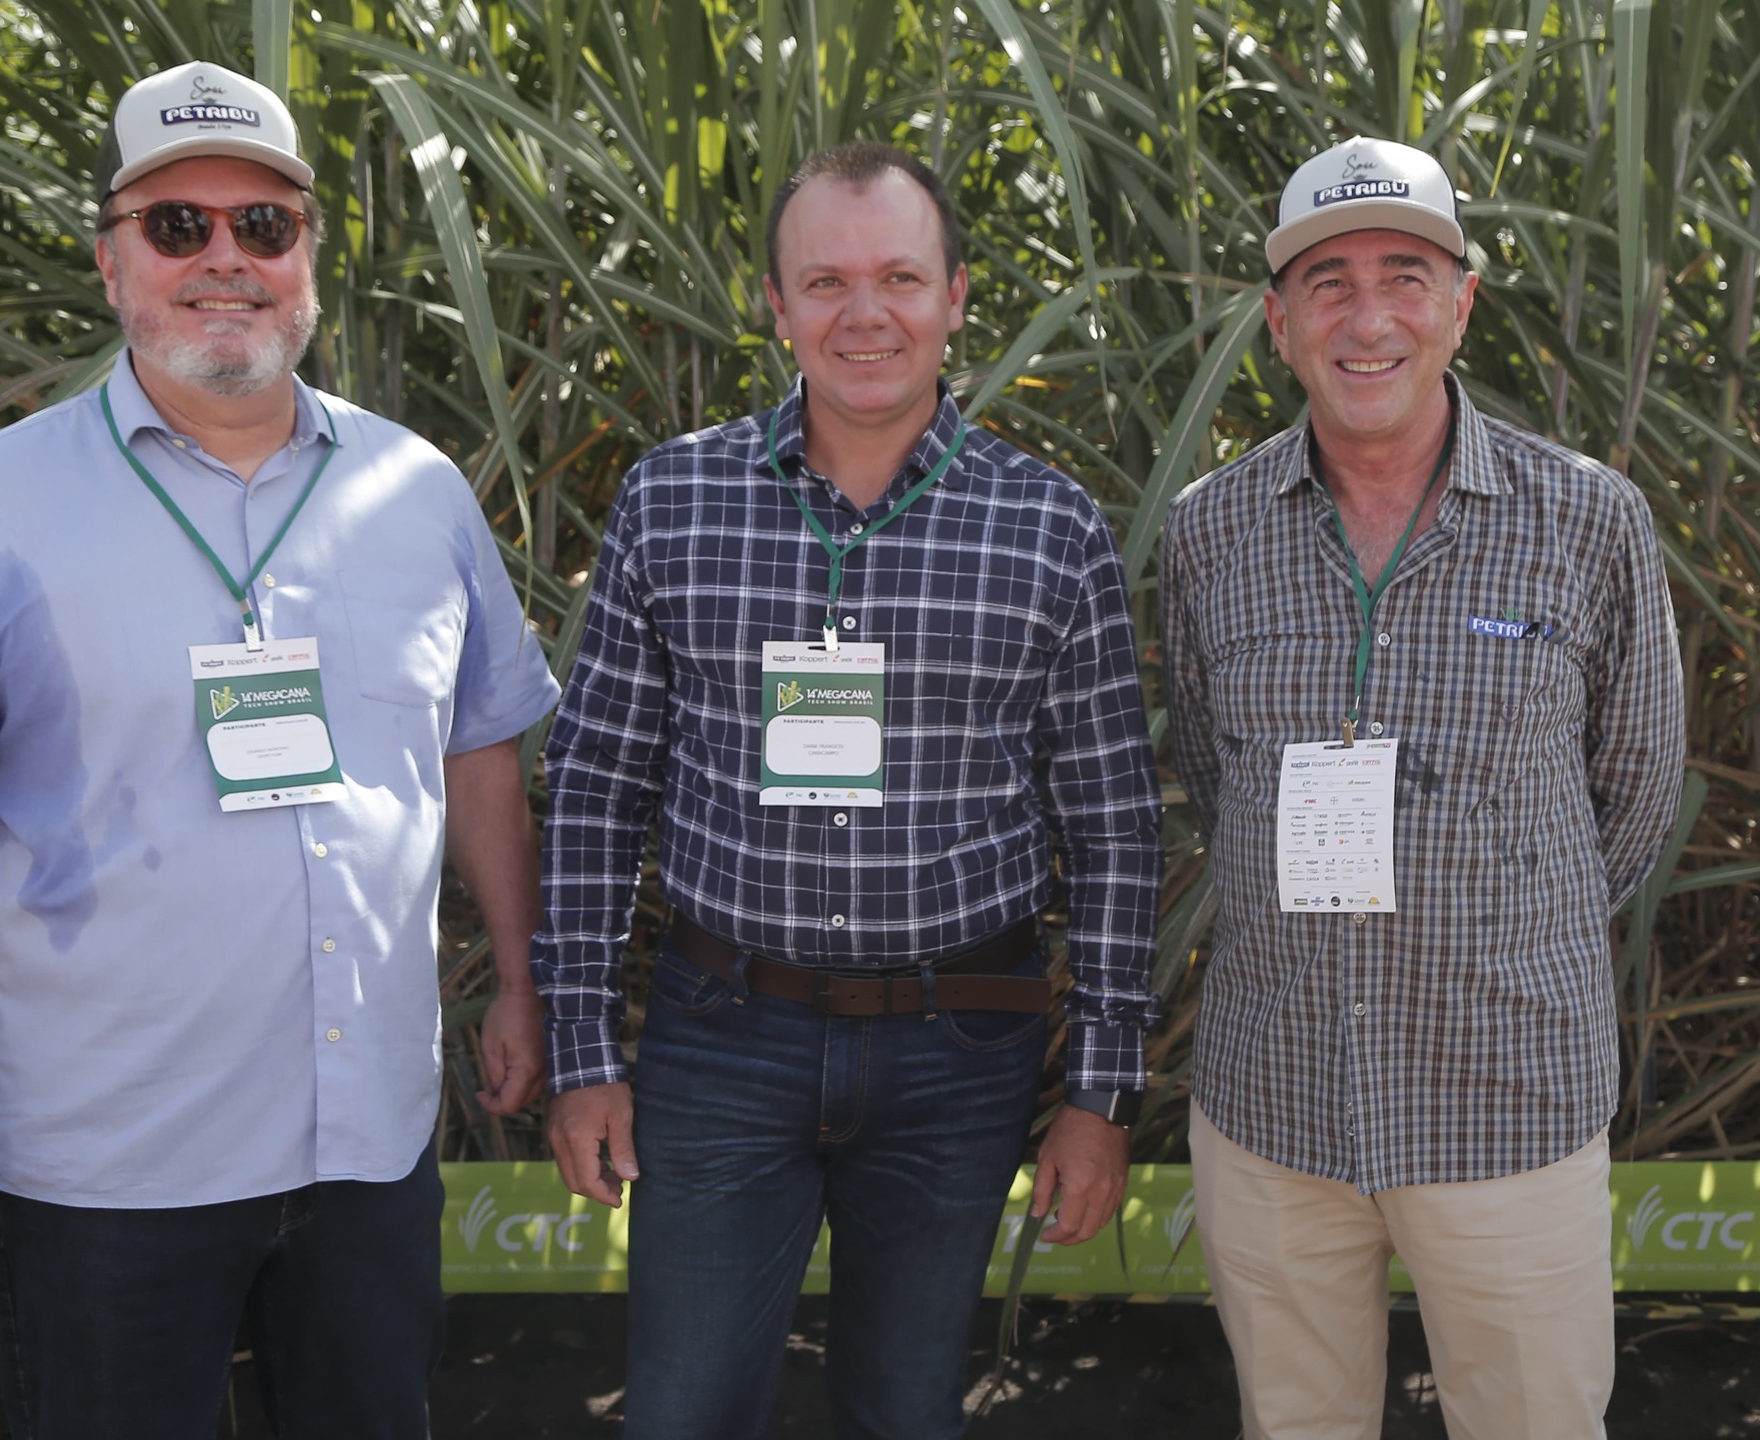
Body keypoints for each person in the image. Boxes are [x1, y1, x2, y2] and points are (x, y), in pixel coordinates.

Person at [0, 60, 559, 1439]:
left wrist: (522, 981)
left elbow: (483, 753)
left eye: (263, 227)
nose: (226, 259)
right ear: (111, 264)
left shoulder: (418, 491)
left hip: (368, 1145)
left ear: (310, 259)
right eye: (178, 226)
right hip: (112, 1171)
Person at [531, 142, 1163, 1439]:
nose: (863, 313)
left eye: (899, 278)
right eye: (824, 280)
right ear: (773, 303)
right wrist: (585, 1054)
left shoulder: (1048, 528)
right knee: (683, 1413)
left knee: (905, 1410)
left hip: (962, 1043)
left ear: (956, 296)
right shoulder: (675, 500)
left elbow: (1113, 829)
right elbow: (597, 787)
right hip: (724, 1036)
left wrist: (1100, 1094)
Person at [1159, 135, 1685, 1439]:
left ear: (1462, 302)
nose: (1369, 316)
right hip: (1273, 1112)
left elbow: (1634, 797)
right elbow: (1214, 786)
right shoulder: (1209, 531)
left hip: (1505, 1110)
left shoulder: (1591, 521)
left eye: (1406, 272)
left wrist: (1500, 931)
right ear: (1279, 321)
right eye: (1327, 281)